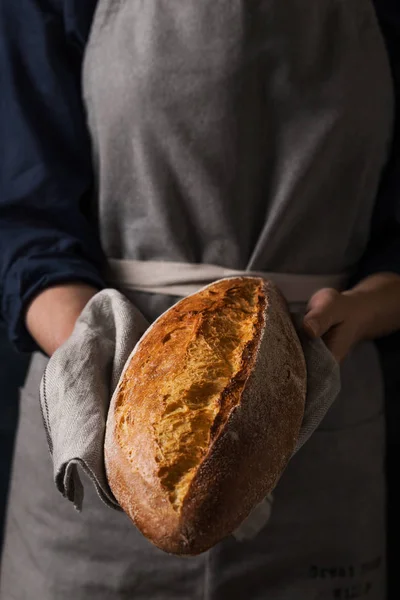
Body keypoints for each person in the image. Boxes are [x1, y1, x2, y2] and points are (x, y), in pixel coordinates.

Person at [0, 0, 400, 598]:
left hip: (324, 451)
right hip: (96, 487)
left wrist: (364, 308)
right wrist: (97, 356)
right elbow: (25, 220)